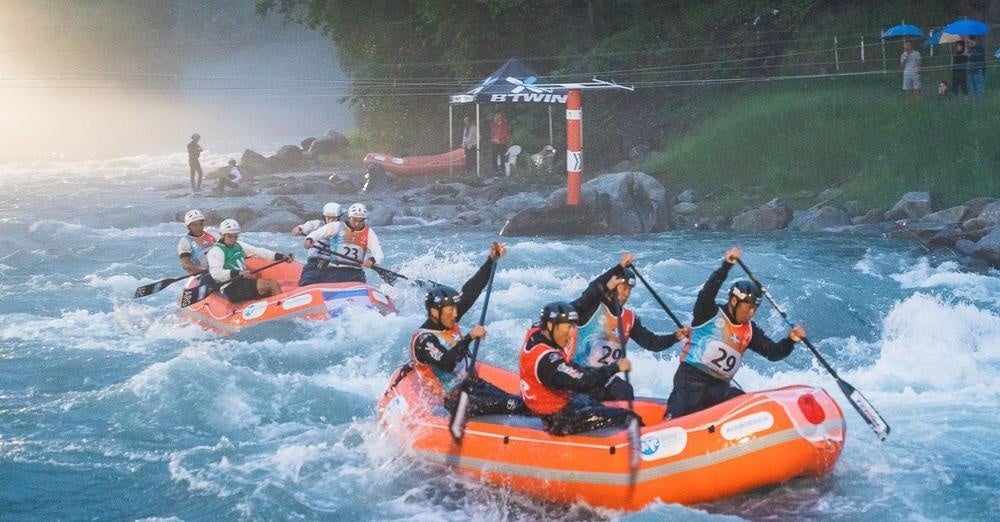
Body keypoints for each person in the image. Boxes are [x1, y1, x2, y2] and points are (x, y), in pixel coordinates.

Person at [665, 247, 807, 419]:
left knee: (740, 399)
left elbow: (773, 353)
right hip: (689, 382)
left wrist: (790, 340)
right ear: (734, 301)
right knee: (680, 413)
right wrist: (726, 266)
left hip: (718, 388)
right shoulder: (708, 313)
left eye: (755, 308)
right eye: (749, 307)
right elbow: (706, 293)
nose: (752, 313)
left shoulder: (750, 331)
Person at [410, 242, 526, 418]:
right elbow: (446, 364)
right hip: (452, 401)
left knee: (521, 401)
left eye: (456, 309)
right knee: (517, 405)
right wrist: (470, 337)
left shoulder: (448, 319)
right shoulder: (425, 340)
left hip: (472, 387)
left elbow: (471, 290)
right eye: (450, 311)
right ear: (434, 312)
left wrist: (490, 261)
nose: (455, 314)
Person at [569, 253, 691, 401]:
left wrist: (675, 337)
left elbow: (652, 343)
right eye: (623, 288)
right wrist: (619, 267)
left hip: (604, 379)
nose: (626, 294)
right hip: (580, 378)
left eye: (629, 290)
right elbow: (592, 290)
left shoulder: (629, 319)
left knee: (625, 390)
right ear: (613, 287)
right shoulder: (591, 306)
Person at [519, 301, 639, 436]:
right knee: (629, 418)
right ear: (550, 326)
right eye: (568, 327)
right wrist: (614, 368)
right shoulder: (547, 360)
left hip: (555, 405)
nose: (571, 334)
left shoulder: (536, 333)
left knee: (599, 402)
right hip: (557, 420)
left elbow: (586, 299)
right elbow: (582, 383)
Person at [207, 219, 293, 303]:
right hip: (231, 287)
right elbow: (216, 274)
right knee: (272, 284)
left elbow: (257, 251)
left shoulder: (238, 245)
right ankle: (282, 309)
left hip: (243, 282)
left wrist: (280, 256)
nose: (233, 239)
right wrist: (238, 273)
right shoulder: (216, 251)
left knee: (268, 288)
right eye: (230, 236)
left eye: (235, 236)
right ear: (222, 235)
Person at [320, 203, 383, 283]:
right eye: (354, 220)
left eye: (361, 221)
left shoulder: (369, 233)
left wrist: (372, 260)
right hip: (335, 270)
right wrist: (310, 239)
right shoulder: (336, 227)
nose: (357, 224)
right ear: (350, 218)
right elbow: (315, 235)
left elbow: (379, 253)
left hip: (356, 272)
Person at [298, 202, 344, 286]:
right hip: (313, 264)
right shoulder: (317, 224)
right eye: (328, 218)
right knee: (307, 281)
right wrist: (300, 229)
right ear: (324, 217)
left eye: (334, 219)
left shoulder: (342, 230)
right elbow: (308, 226)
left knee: (334, 283)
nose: (330, 221)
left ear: (339, 218)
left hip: (331, 266)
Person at [177, 209, 216, 275]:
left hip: (215, 270)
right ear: (188, 227)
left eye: (200, 224)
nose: (198, 227)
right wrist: (203, 268)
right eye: (194, 225)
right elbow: (185, 264)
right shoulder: (185, 241)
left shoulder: (212, 235)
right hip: (200, 275)